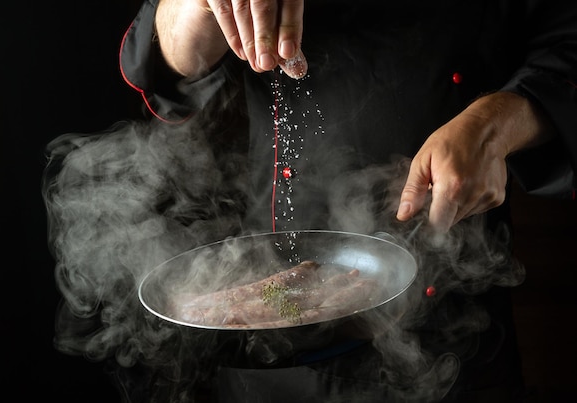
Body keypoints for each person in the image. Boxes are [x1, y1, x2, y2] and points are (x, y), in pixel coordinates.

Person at [119, 0, 577, 401]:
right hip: (275, 325)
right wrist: (200, 5)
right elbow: (163, 61)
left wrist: (499, 123)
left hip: (457, 320)